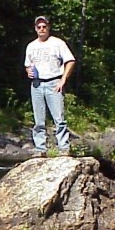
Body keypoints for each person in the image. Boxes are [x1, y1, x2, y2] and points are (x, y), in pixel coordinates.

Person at [24, 15, 75, 157]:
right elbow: (28, 65)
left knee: (59, 119)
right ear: (35, 28)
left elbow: (70, 60)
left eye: (44, 26)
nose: (42, 29)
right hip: (37, 84)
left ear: (48, 27)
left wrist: (63, 79)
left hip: (54, 82)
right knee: (39, 120)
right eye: (39, 27)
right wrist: (28, 72)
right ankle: (41, 150)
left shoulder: (57, 43)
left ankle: (64, 148)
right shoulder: (31, 46)